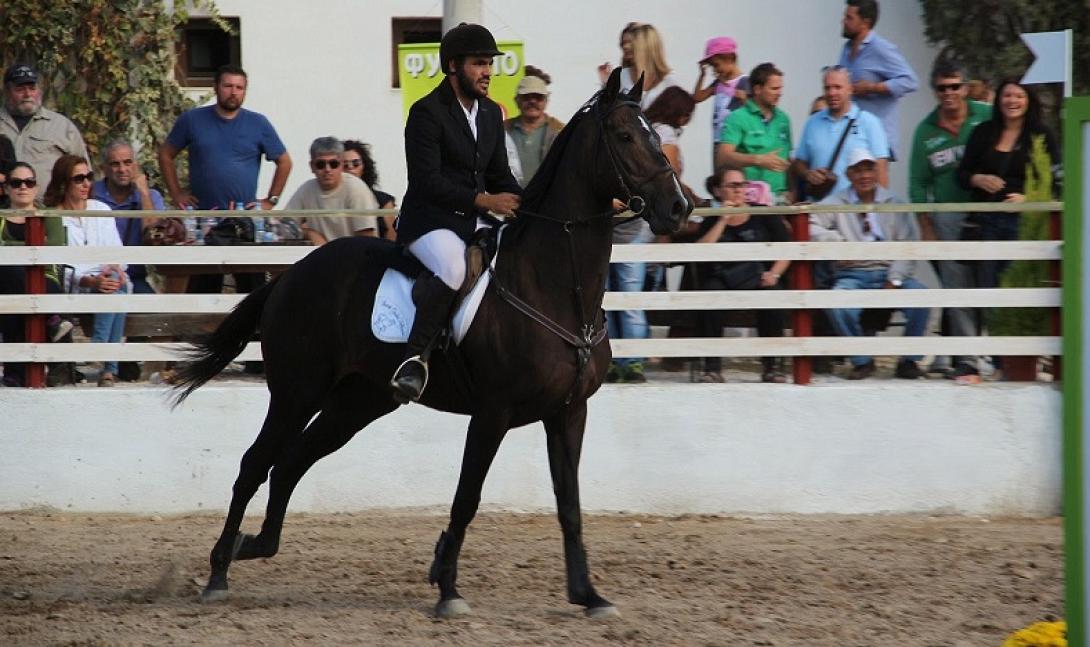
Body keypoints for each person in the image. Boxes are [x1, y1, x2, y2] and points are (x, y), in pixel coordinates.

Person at [390, 23, 522, 403]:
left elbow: (500, 176)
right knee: (454, 269)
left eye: (490, 64)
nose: (488, 72)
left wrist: (531, 206)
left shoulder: (491, 115)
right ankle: (415, 358)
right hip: (429, 221)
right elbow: (427, 180)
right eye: (480, 64)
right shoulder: (426, 112)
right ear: (453, 66)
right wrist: (485, 201)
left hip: (473, 219)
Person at [158, 64, 292, 295]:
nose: (233, 92)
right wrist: (177, 193)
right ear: (216, 88)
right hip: (205, 221)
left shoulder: (258, 123)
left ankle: (253, 332)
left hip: (245, 222)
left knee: (252, 289)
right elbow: (166, 154)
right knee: (204, 289)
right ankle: (201, 333)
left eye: (239, 87)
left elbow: (284, 161)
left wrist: (271, 200)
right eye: (228, 85)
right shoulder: (192, 120)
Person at [811, 148, 929, 380]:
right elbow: (810, 224)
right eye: (858, 170)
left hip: (889, 271)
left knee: (922, 297)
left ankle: (909, 361)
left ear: (876, 171)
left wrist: (893, 280)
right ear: (848, 174)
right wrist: (840, 244)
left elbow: (906, 246)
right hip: (852, 274)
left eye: (869, 169)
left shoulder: (894, 202)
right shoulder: (836, 201)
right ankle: (862, 360)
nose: (864, 176)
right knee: (837, 303)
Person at [908, 61, 992, 380]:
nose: (949, 93)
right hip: (948, 217)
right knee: (956, 289)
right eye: (942, 87)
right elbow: (917, 183)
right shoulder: (925, 130)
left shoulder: (985, 115)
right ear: (934, 90)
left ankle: (995, 356)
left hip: (987, 213)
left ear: (965, 87)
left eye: (955, 86)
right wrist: (926, 225)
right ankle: (968, 359)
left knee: (991, 284)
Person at [697, 166, 790, 383]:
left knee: (773, 296)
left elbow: (786, 250)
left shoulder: (763, 213)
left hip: (759, 277)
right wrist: (722, 219)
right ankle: (712, 367)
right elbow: (699, 252)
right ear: (719, 190)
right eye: (733, 185)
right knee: (710, 295)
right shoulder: (711, 219)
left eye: (743, 184)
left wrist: (774, 274)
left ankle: (771, 366)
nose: (739, 190)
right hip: (722, 279)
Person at [45, 155, 129, 387]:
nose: (85, 184)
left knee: (116, 287)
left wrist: (114, 271)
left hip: (108, 280)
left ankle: (99, 350)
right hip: (76, 286)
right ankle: (108, 369)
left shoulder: (101, 209)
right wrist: (90, 281)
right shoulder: (54, 218)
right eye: (78, 178)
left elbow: (117, 254)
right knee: (118, 296)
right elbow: (57, 266)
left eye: (89, 177)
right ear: (64, 182)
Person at [0, 162, 71, 387]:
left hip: (45, 278)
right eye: (16, 182)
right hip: (7, 281)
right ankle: (54, 320)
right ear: (7, 188)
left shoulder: (49, 216)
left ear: (36, 187)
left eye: (29, 182)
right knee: (9, 280)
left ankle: (17, 372)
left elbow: (56, 248)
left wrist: (11, 247)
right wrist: (30, 246)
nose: (23, 187)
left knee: (15, 287)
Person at [792, 65, 890, 202]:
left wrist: (878, 211)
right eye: (827, 88)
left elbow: (881, 169)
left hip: (856, 211)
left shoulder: (869, 122)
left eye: (838, 87)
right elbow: (799, 162)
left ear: (850, 89)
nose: (832, 93)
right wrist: (808, 174)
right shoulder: (812, 122)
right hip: (820, 211)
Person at [837, 0, 919, 159]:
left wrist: (872, 88)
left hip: (877, 141)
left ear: (865, 23)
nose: (843, 21)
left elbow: (910, 81)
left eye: (849, 18)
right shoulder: (845, 50)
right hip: (851, 137)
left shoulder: (881, 48)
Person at [91, 139, 167, 296]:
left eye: (127, 162)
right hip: (96, 276)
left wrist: (144, 194)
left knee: (156, 314)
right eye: (115, 164)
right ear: (104, 168)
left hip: (134, 277)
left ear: (135, 166)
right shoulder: (92, 193)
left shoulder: (151, 197)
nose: (122, 169)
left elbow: (154, 237)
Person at [0, 63, 89, 192]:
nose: (27, 94)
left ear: (39, 91)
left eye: (32, 88)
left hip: (49, 209)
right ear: (7, 92)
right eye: (20, 89)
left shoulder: (62, 126)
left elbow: (84, 173)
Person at [715, 63, 792, 201]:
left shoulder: (783, 119)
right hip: (751, 201)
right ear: (757, 89)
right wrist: (758, 160)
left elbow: (788, 159)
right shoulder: (737, 117)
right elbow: (723, 157)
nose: (779, 93)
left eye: (780, 88)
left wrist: (793, 192)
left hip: (780, 202)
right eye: (774, 88)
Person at [287, 137, 378, 246]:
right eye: (321, 164)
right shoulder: (306, 189)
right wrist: (310, 233)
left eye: (333, 164)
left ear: (341, 165)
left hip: (353, 257)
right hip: (322, 258)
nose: (327, 169)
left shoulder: (356, 189)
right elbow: (285, 226)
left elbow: (367, 240)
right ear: (312, 166)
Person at [503, 68, 565, 186]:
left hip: (547, 201)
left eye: (538, 97)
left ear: (546, 101)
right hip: (510, 200)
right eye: (526, 97)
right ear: (517, 100)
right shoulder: (501, 131)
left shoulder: (561, 132)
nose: (532, 101)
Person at [598, 23, 681, 110]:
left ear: (647, 46)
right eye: (623, 43)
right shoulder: (622, 76)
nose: (625, 47)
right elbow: (608, 111)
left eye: (631, 43)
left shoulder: (669, 80)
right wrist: (607, 85)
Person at [693, 37, 748, 162]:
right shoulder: (718, 83)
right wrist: (702, 75)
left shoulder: (744, 81)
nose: (716, 70)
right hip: (718, 140)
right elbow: (697, 97)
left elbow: (754, 111)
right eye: (712, 66)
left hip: (736, 142)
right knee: (720, 179)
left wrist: (745, 99)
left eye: (717, 65)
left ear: (730, 58)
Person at [342, 139, 397, 241]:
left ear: (364, 166)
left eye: (356, 163)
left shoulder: (383, 201)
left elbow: (392, 241)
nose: (350, 168)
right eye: (345, 165)